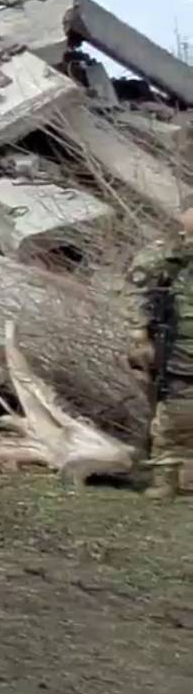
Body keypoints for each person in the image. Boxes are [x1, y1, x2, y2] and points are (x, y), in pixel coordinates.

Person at [130, 208, 193, 495]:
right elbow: (136, 290)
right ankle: (166, 478)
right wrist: (139, 334)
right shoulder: (167, 254)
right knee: (176, 412)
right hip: (180, 346)